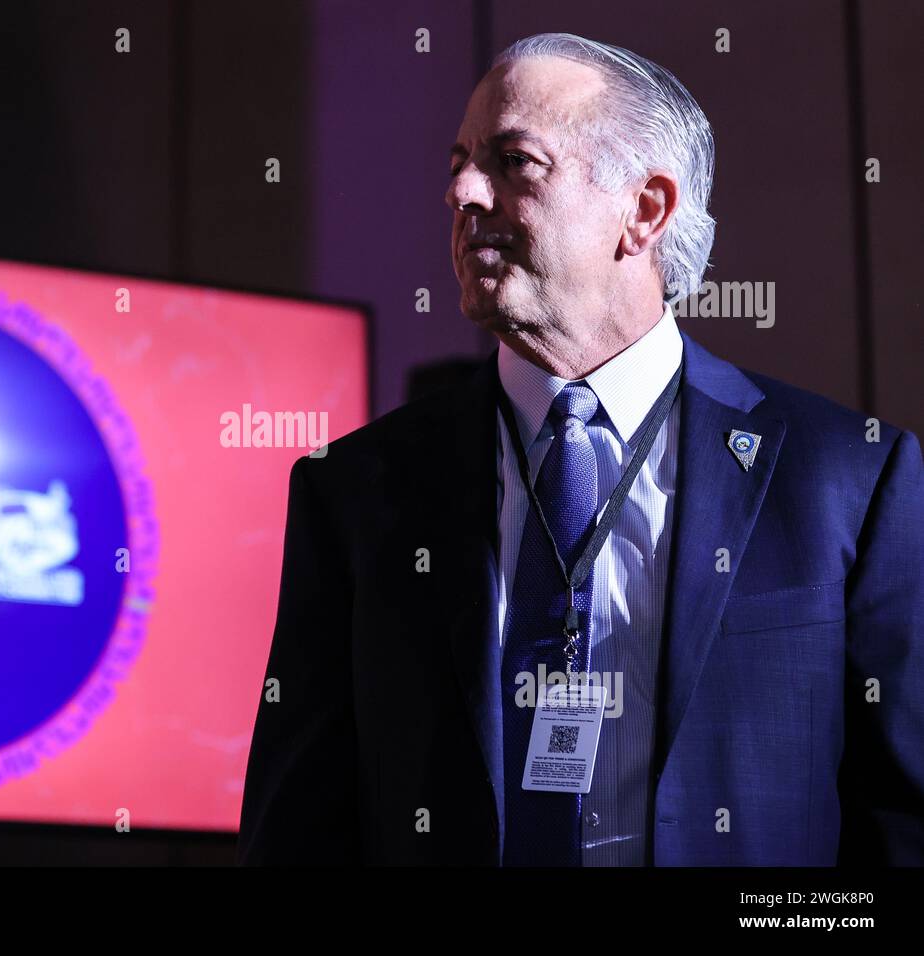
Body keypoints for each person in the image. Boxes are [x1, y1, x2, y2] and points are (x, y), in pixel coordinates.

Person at [236, 32, 924, 866]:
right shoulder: (355, 491)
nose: (460, 191)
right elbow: (297, 830)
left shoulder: (850, 478)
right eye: (457, 161)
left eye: (515, 161)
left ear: (644, 211)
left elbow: (902, 818)